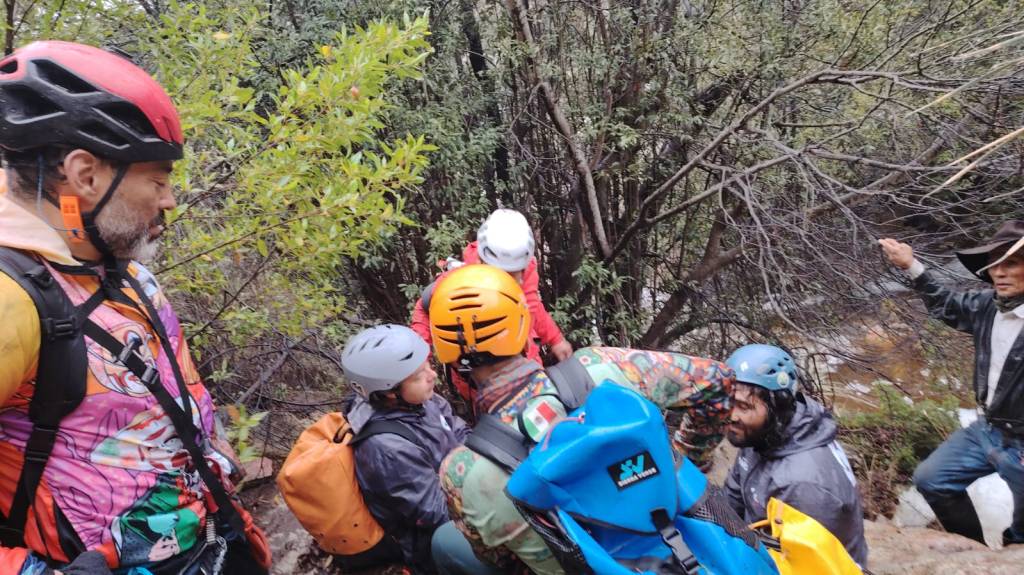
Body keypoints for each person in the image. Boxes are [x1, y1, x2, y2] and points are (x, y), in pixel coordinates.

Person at [0, 41, 269, 574]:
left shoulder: (116, 265)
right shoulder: (12, 299)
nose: (169, 200)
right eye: (158, 180)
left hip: (212, 539)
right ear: (84, 174)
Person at [426, 264, 734, 575]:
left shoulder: (460, 474)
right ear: (523, 326)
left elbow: (502, 562)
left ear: (450, 359)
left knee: (447, 542)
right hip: (688, 548)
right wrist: (690, 463)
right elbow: (717, 380)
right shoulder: (599, 368)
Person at [880, 223, 1024, 547]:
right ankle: (975, 550)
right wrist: (911, 266)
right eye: (994, 264)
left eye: (1010, 263)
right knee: (932, 480)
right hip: (987, 429)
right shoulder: (988, 306)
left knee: (1021, 535)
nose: (998, 272)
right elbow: (946, 304)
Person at [339, 324, 470, 573]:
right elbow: (435, 512)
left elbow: (461, 432)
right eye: (419, 374)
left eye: (428, 366)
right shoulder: (386, 449)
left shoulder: (424, 401)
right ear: (389, 393)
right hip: (432, 540)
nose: (432, 375)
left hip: (462, 492)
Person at [722, 344, 868, 566]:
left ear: (777, 406)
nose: (731, 415)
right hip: (765, 542)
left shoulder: (803, 484)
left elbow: (813, 564)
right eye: (729, 402)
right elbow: (731, 500)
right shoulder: (762, 434)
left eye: (744, 406)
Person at [410, 209, 573, 401]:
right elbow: (426, 307)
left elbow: (531, 306)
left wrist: (555, 339)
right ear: (482, 260)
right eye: (502, 272)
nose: (510, 280)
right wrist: (417, 364)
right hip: (480, 379)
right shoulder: (459, 283)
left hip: (526, 366)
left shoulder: (526, 271)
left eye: (514, 273)